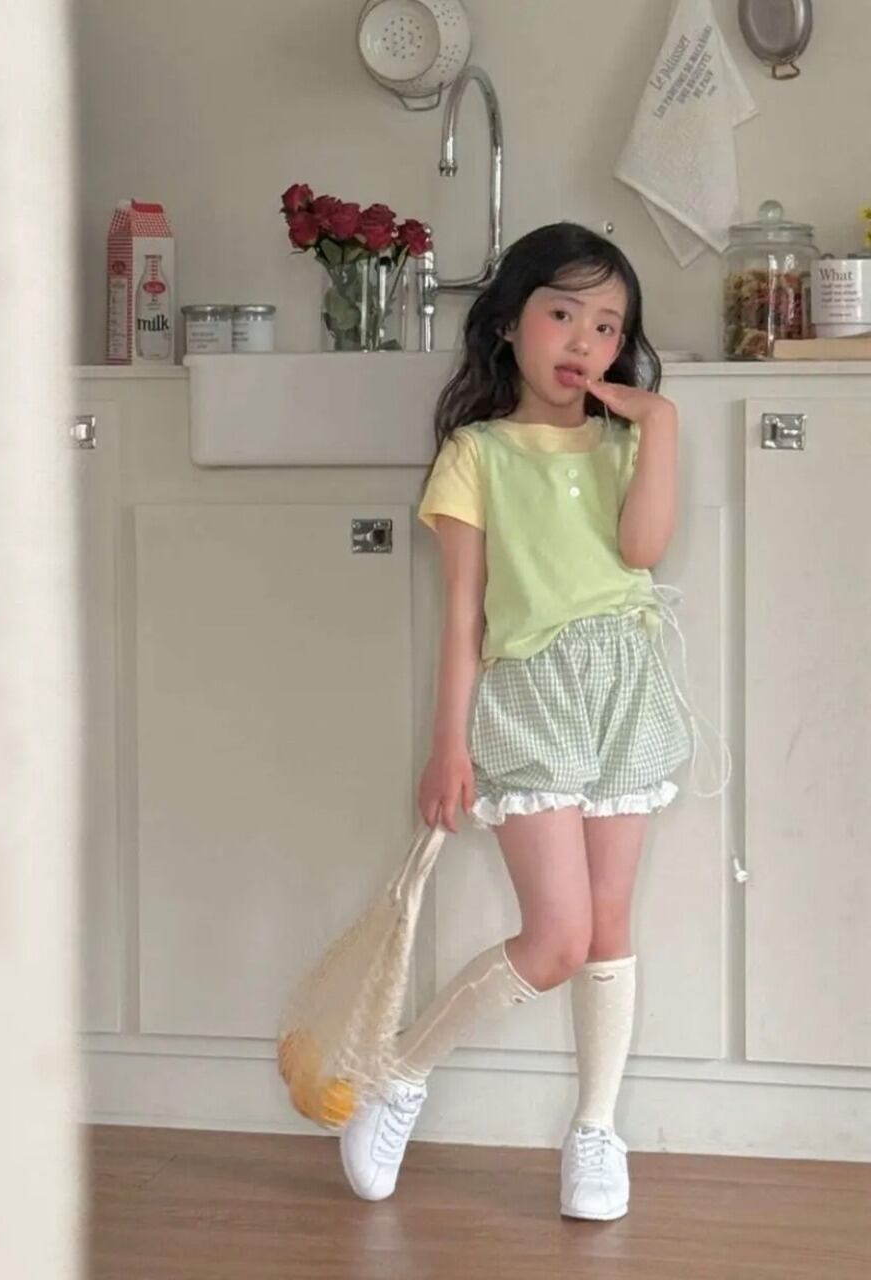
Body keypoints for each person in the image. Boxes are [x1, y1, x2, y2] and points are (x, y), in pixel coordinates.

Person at [339, 222, 697, 1220]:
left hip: (626, 687)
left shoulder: (628, 442)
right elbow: (463, 610)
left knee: (608, 926)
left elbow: (642, 550)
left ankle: (595, 1129)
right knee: (557, 935)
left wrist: (660, 422)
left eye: (607, 324)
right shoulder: (476, 454)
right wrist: (446, 742)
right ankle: (398, 1072)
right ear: (507, 323)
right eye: (562, 312)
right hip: (531, 696)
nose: (584, 339)